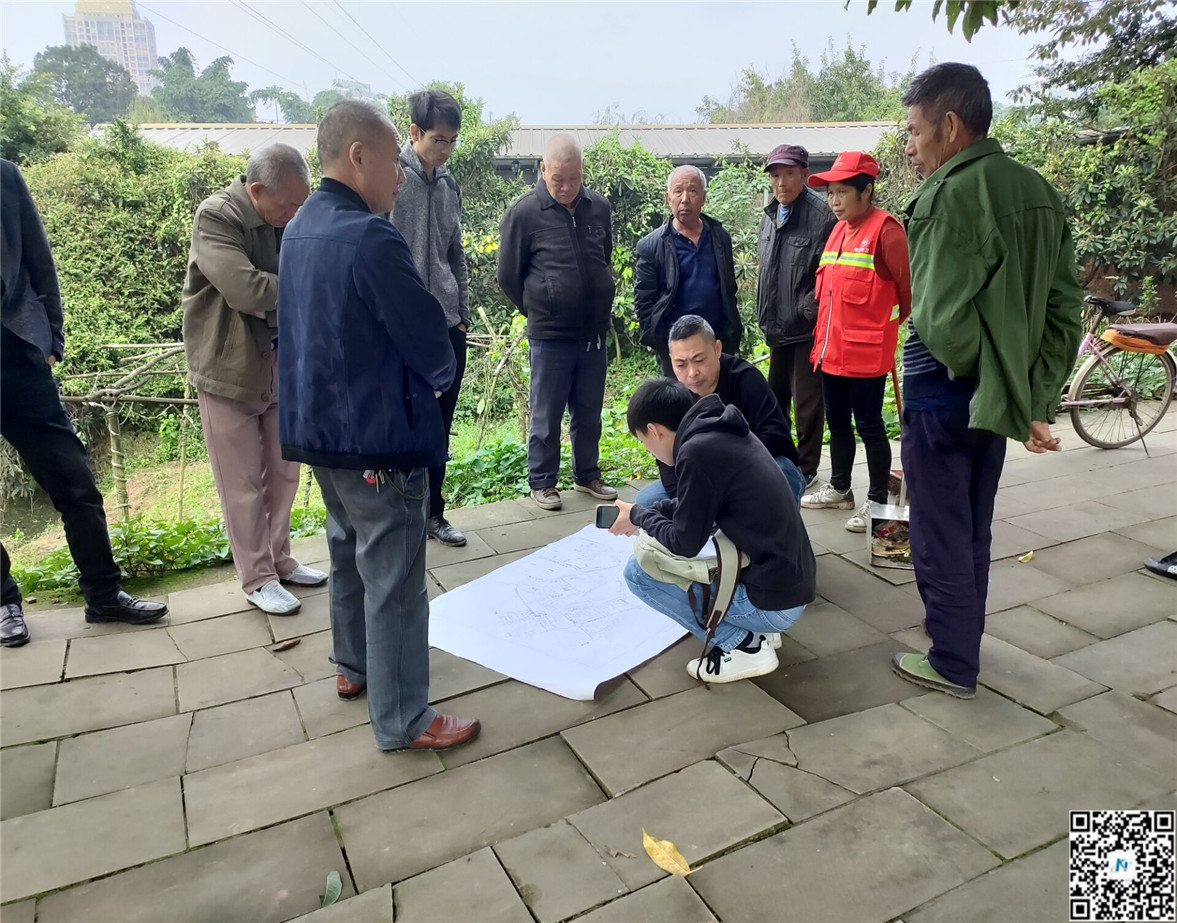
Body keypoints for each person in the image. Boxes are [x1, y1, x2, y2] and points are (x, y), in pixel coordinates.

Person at [277, 100, 479, 751]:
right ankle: (402, 718)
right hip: (376, 433)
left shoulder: (300, 227)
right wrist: (441, 377)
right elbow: (426, 336)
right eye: (393, 160)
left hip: (320, 430)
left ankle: (355, 666)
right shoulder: (370, 236)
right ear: (357, 156)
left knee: (347, 548)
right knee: (393, 573)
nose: (398, 175)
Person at [890, 64, 1083, 699]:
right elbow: (1063, 311)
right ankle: (959, 635)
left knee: (938, 529)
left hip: (941, 391)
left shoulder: (946, 197)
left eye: (914, 131)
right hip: (994, 398)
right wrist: (1028, 394)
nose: (909, 146)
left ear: (949, 126)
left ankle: (952, 661)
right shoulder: (1038, 192)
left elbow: (942, 325)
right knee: (973, 523)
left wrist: (989, 375)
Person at [0, 159, 168, 645]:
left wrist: (52, 338)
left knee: (75, 481)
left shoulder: (5, 177)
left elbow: (39, 260)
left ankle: (104, 594)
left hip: (19, 354)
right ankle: (3, 601)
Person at [183, 144, 326, 616]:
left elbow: (289, 281)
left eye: (301, 204)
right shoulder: (216, 217)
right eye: (288, 205)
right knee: (241, 481)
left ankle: (280, 559)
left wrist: (281, 297)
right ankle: (257, 577)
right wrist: (304, 292)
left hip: (281, 362)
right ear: (257, 190)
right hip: (228, 369)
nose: (295, 215)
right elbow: (246, 290)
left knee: (284, 471)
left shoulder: (288, 218)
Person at [609, 378, 816, 683]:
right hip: (791, 585)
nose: (648, 449)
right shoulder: (718, 430)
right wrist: (647, 513)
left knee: (638, 574)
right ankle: (758, 633)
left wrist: (640, 515)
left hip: (774, 604)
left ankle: (742, 645)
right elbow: (695, 505)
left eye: (643, 440)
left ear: (654, 430)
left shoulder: (696, 453)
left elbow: (684, 542)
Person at [497, 134, 618, 512]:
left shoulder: (598, 207)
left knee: (589, 411)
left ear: (583, 172)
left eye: (574, 179)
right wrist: (540, 306)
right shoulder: (523, 213)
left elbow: (604, 257)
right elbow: (508, 276)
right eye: (558, 179)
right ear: (543, 170)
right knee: (546, 414)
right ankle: (543, 481)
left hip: (593, 331)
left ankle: (587, 474)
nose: (566, 187)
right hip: (550, 334)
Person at [802, 151, 911, 533]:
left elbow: (905, 293)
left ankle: (877, 502)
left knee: (869, 425)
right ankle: (840, 488)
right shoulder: (837, 230)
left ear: (866, 191)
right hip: (831, 350)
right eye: (830, 193)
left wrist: (882, 331)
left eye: (842, 192)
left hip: (865, 354)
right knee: (837, 422)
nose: (834, 201)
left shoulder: (886, 230)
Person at [390, 88, 470, 548]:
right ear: (415, 132)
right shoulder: (390, 179)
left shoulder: (449, 186)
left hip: (446, 323)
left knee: (440, 425)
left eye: (453, 141)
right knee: (403, 422)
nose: (446, 150)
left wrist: (461, 315)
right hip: (402, 327)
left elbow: (455, 252)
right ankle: (400, 517)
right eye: (439, 140)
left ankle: (434, 514)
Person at [634, 314, 805, 506]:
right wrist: (682, 500)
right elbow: (667, 455)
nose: (692, 373)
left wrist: (725, 469)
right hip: (704, 476)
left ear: (717, 349)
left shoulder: (745, 379)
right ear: (671, 360)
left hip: (752, 468)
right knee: (646, 501)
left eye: (699, 360)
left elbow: (776, 437)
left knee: (781, 473)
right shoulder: (674, 393)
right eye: (681, 364)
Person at [757, 143, 837, 490]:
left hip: (806, 327)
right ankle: (779, 460)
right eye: (775, 175)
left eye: (789, 174)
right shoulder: (770, 214)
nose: (781, 182)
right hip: (776, 323)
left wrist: (808, 309)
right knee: (774, 399)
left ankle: (806, 468)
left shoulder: (822, 216)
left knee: (807, 402)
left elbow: (829, 274)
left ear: (804, 175)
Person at [635, 166, 741, 375]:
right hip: (676, 347)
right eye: (678, 191)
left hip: (717, 341)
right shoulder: (651, 245)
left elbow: (729, 289)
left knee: (720, 394)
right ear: (668, 198)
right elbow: (644, 302)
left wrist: (731, 333)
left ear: (703, 198)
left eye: (692, 191)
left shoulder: (720, 237)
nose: (685, 199)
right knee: (680, 396)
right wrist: (662, 342)